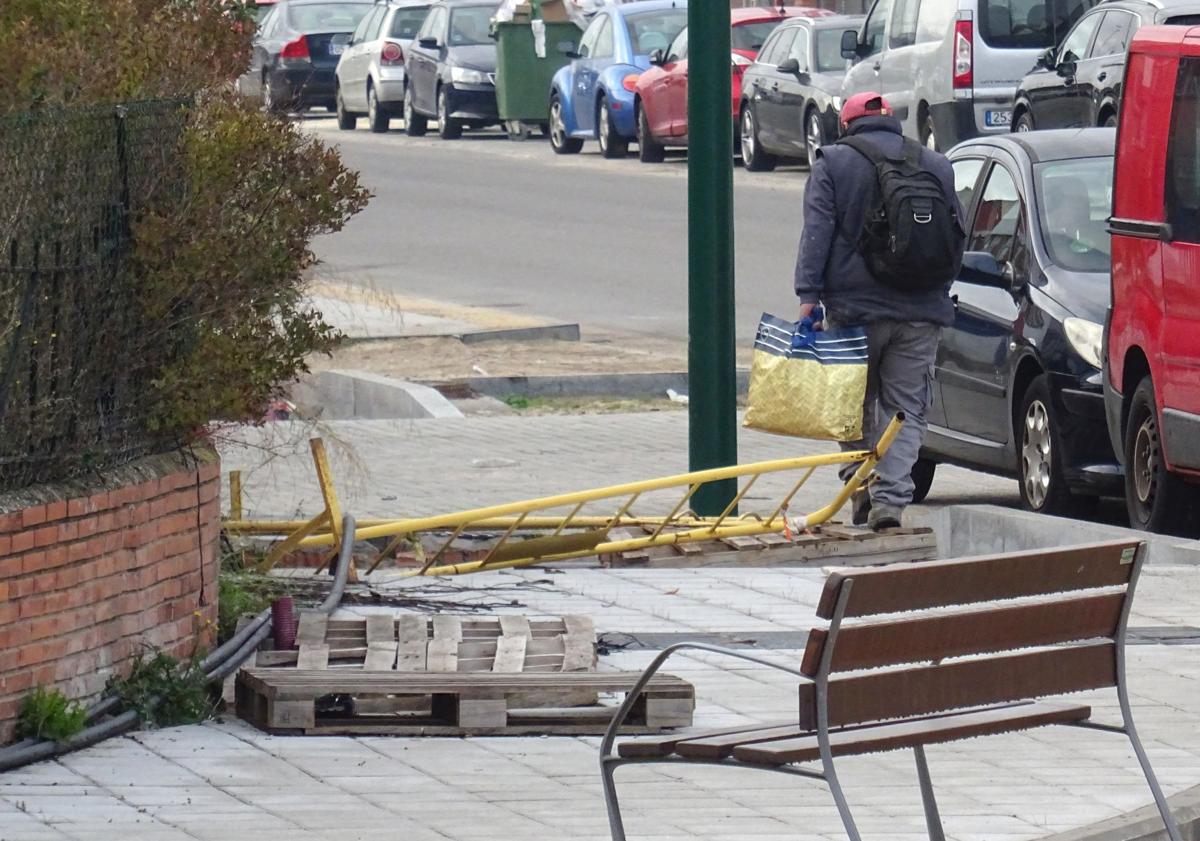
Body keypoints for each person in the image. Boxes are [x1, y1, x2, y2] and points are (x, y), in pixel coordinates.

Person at [794, 92, 964, 530]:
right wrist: (938, 289)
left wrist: (808, 297)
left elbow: (817, 231)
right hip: (921, 311)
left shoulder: (832, 162)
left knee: (850, 406)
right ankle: (890, 501)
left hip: (854, 313)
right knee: (905, 409)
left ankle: (859, 488)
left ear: (846, 125)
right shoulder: (936, 165)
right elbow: (957, 235)